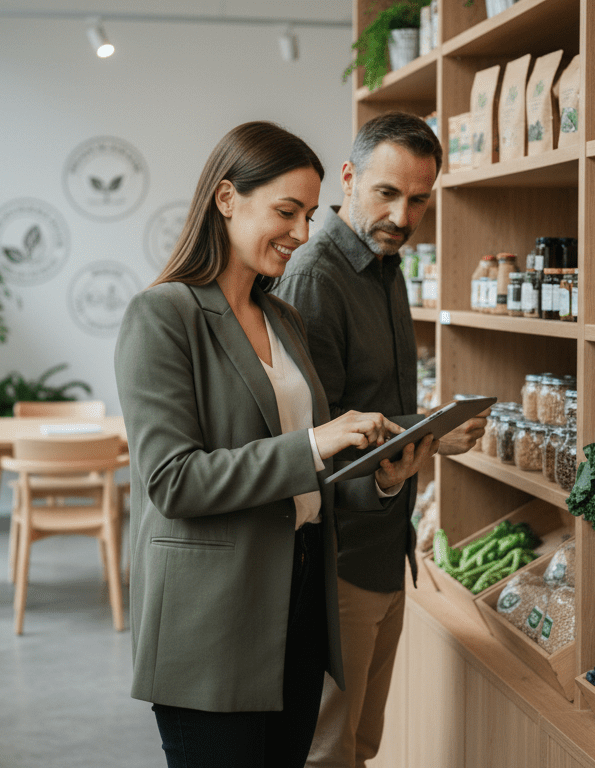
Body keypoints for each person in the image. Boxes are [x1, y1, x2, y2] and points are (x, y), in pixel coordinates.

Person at [114, 121, 437, 768]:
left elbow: (313, 462)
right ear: (227, 199)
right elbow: (173, 481)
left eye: (310, 215)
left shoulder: (282, 317)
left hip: (301, 598)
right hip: (212, 617)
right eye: (285, 211)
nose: (301, 232)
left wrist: (381, 476)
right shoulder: (164, 315)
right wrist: (315, 444)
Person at [273, 111, 486, 768]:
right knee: (330, 750)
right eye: (387, 193)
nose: (402, 213)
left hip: (384, 547)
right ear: (348, 177)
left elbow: (373, 411)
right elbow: (319, 434)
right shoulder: (317, 275)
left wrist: (430, 434)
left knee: (361, 743)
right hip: (338, 557)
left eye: (420, 198)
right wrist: (407, 455)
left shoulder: (384, 264)